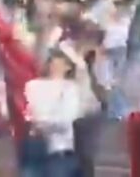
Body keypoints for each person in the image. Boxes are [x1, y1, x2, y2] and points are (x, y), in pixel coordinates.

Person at [22, 45, 96, 177]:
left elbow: (66, 119)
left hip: (59, 150)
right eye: (52, 60)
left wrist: (41, 123)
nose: (54, 64)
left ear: (68, 66)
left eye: (60, 61)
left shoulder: (72, 88)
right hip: (34, 148)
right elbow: (28, 111)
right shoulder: (33, 85)